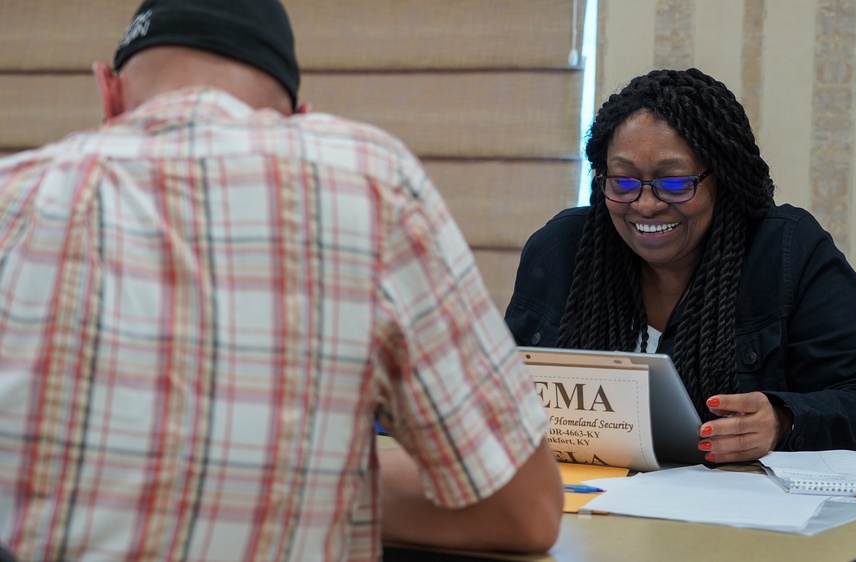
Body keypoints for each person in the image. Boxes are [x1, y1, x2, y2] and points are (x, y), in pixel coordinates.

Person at [0, 1, 562, 560]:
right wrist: (314, 481)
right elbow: (523, 508)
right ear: (298, 119)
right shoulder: (369, 183)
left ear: (109, 94)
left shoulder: (12, 196)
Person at [505, 68, 856, 464]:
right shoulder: (561, 251)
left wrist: (783, 421)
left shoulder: (788, 253)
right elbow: (503, 396)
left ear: (724, 179)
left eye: (675, 183)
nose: (646, 204)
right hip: (588, 505)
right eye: (623, 182)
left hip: (743, 515)